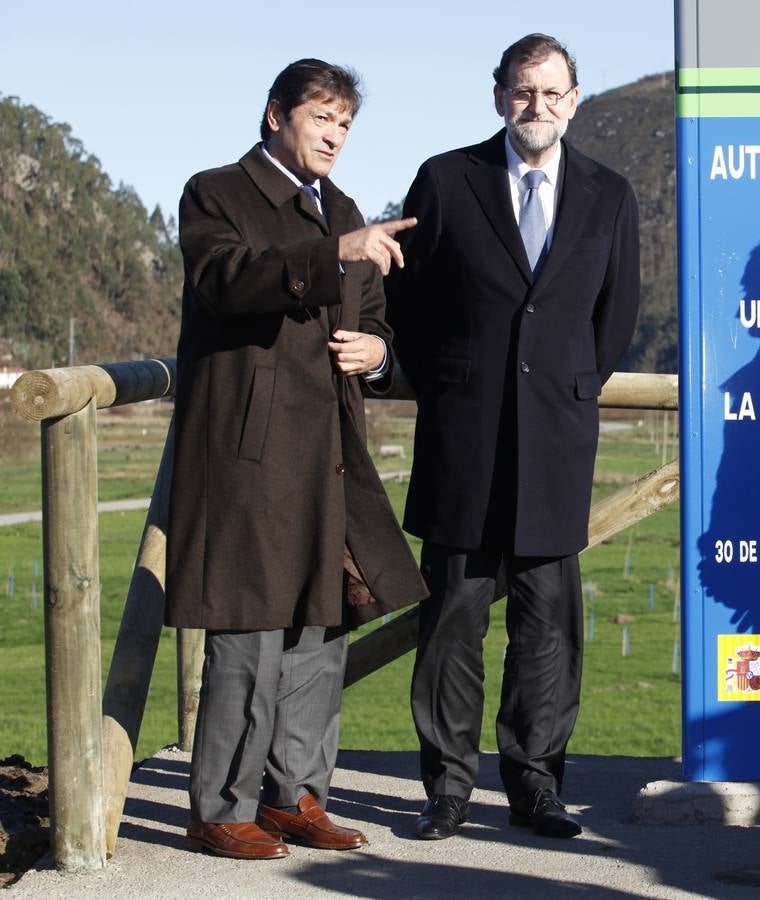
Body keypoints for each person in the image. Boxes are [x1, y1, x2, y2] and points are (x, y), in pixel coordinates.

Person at [165, 58, 427, 860]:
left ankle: (296, 797)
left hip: (331, 454)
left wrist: (374, 354)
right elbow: (227, 281)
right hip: (248, 455)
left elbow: (378, 317)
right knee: (247, 632)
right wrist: (332, 253)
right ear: (276, 115)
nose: (336, 135)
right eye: (322, 117)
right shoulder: (216, 193)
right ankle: (221, 807)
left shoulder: (343, 209)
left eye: (346, 123)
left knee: (324, 626)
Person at [385, 33, 640, 840]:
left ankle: (536, 785)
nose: (538, 107)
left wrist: (563, 387)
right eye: (524, 92)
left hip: (558, 441)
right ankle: (448, 790)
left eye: (553, 93)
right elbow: (410, 310)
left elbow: (616, 318)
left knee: (548, 627)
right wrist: (459, 383)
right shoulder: (446, 179)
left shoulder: (609, 193)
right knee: (452, 623)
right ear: (500, 96)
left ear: (575, 100)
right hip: (465, 438)